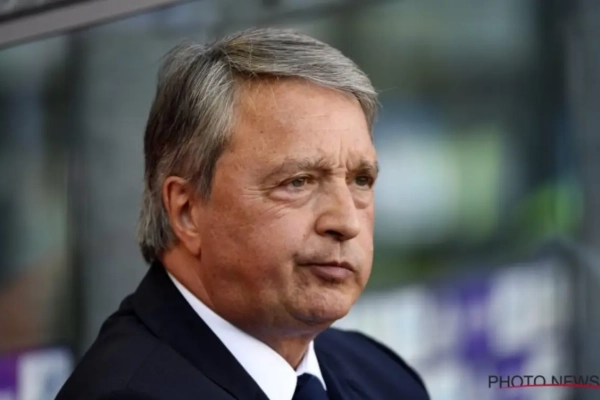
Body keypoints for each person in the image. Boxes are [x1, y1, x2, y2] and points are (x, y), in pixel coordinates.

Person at [56, 28, 430, 400]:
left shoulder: (383, 378)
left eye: (360, 180)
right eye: (298, 182)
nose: (347, 222)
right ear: (187, 211)